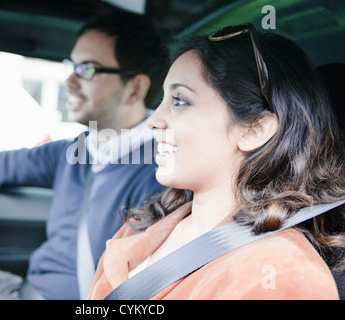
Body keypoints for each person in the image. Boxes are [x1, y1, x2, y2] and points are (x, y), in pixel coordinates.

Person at [0, 11, 169, 299]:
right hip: (25, 291)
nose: (70, 82)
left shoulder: (163, 168)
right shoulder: (73, 151)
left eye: (87, 69)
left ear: (135, 87)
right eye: (71, 66)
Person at [88, 24, 345, 300]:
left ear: (253, 130)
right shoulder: (144, 224)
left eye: (180, 101)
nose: (153, 121)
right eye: (163, 99)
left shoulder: (284, 274)